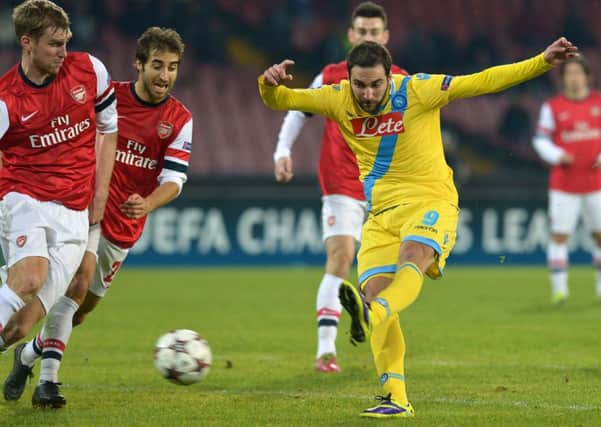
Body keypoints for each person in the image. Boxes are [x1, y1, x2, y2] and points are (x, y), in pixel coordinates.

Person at [259, 38, 577, 418]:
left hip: (431, 201)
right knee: (376, 289)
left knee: (410, 260)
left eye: (376, 84)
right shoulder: (335, 97)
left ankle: (370, 313)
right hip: (380, 215)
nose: (367, 92)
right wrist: (269, 83)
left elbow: (484, 81)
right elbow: (281, 101)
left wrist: (541, 61)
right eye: (360, 84)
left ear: (389, 77)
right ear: (349, 79)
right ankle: (396, 398)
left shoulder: (419, 90)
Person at [2, 26, 192, 408]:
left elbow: (175, 178)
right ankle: (49, 383)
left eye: (172, 67)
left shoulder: (179, 118)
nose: (164, 75)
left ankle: (27, 357)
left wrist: (149, 203)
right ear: (138, 64)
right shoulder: (109, 97)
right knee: (75, 285)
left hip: (125, 224)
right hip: (85, 207)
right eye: (157, 65)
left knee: (81, 310)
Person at [273, 1, 408, 374]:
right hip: (341, 180)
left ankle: (369, 321)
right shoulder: (332, 76)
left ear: (386, 37)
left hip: (385, 187)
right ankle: (326, 350)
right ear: (351, 36)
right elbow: (299, 110)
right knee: (342, 256)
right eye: (361, 31)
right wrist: (282, 150)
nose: (367, 36)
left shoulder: (401, 81)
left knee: (385, 272)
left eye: (374, 32)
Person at [0, 0, 118, 407]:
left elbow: (109, 130)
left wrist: (99, 195)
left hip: (74, 212)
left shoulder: (90, 70)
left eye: (66, 42)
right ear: (27, 43)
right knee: (31, 277)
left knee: (18, 327)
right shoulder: (6, 99)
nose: (62, 52)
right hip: (25, 197)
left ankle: (22, 351)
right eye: (53, 44)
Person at [532, 56, 601, 304]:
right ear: (563, 79)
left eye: (577, 73)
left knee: (600, 236)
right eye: (569, 73)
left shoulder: (599, 102)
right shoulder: (552, 106)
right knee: (560, 235)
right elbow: (540, 140)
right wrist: (557, 154)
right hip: (564, 184)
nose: (573, 77)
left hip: (597, 183)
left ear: (587, 77)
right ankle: (559, 291)